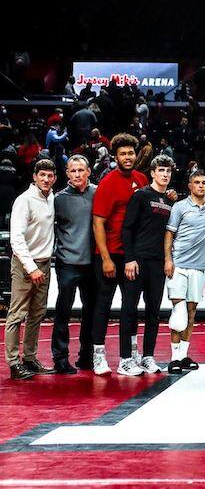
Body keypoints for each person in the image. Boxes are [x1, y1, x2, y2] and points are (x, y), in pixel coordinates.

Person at [91, 134, 149, 375]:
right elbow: (97, 223)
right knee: (103, 305)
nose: (128, 157)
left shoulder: (142, 178)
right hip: (110, 254)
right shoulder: (107, 183)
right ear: (115, 157)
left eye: (131, 153)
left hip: (132, 255)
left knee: (131, 306)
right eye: (123, 154)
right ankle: (98, 356)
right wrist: (105, 258)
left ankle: (132, 355)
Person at [117, 155, 175, 376]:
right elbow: (127, 228)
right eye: (161, 170)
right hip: (137, 261)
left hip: (157, 263)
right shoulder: (141, 196)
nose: (165, 174)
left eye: (168, 171)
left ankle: (147, 356)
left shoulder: (170, 201)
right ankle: (124, 359)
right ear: (152, 173)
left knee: (153, 312)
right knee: (129, 310)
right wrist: (129, 258)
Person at [164, 169, 205, 374]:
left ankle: (184, 355)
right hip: (178, 264)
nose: (201, 185)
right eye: (197, 182)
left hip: (199, 267)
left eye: (204, 182)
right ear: (190, 185)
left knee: (191, 312)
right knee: (178, 312)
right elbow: (169, 233)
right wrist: (168, 259)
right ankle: (174, 358)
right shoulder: (179, 207)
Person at [6, 159, 57, 380]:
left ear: (54, 178)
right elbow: (16, 239)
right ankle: (14, 362)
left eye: (50, 176)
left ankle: (29, 357)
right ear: (34, 177)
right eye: (42, 175)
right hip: (25, 263)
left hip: (44, 262)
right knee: (17, 314)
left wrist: (39, 267)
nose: (46, 179)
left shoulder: (53, 198)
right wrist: (30, 267)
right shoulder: (23, 200)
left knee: (37, 314)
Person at [51, 155, 97, 374]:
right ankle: (60, 358)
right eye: (73, 171)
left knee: (91, 312)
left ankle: (86, 356)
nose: (77, 174)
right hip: (67, 263)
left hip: (92, 264)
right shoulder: (58, 199)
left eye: (81, 170)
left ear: (88, 171)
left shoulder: (99, 193)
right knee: (63, 312)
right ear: (67, 173)